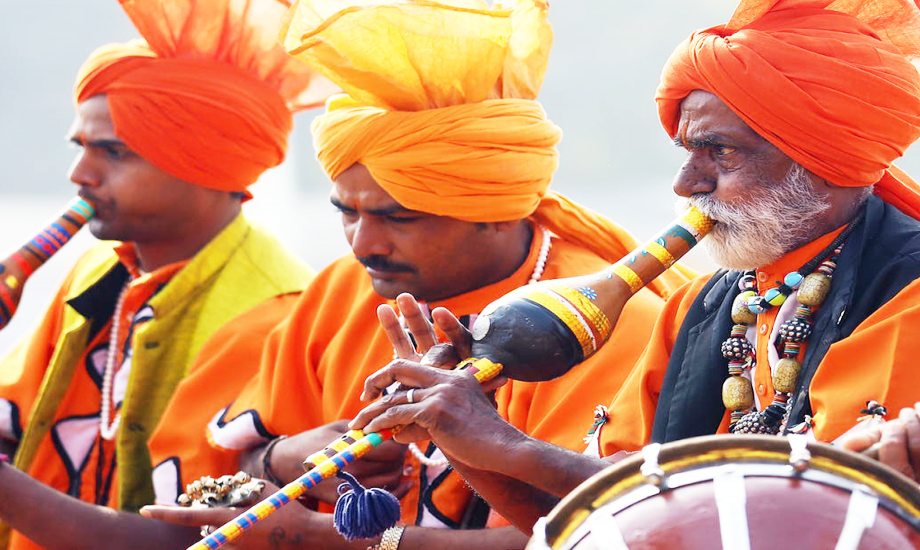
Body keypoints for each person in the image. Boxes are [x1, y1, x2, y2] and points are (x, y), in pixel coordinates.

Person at [343, 0, 920, 544]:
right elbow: (606, 527)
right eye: (684, 151)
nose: (686, 182)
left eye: (716, 151)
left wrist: (508, 446)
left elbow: (788, 529)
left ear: (820, 161)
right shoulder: (703, 305)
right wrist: (459, 430)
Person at [134, 1, 685, 546]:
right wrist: (284, 459)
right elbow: (229, 469)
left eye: (398, 218)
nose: (363, 243)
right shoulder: (342, 290)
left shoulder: (603, 323)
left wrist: (322, 539)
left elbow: (610, 530)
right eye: (346, 212)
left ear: (495, 210)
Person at [0, 0, 329, 548]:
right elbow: (20, 477)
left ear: (204, 162)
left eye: (113, 153)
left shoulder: (274, 312)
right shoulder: (99, 273)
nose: (79, 174)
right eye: (80, 147)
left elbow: (182, 540)